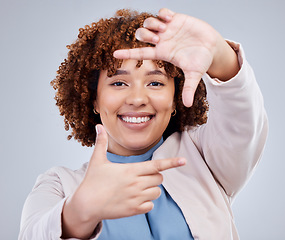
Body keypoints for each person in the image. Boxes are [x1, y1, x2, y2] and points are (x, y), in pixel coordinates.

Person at [19, 8, 268, 240]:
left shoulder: (204, 156)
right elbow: (33, 232)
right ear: (93, 99)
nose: (137, 99)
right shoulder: (59, 184)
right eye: (118, 83)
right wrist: (79, 211)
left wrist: (218, 52)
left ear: (175, 99)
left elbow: (242, 120)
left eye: (156, 83)